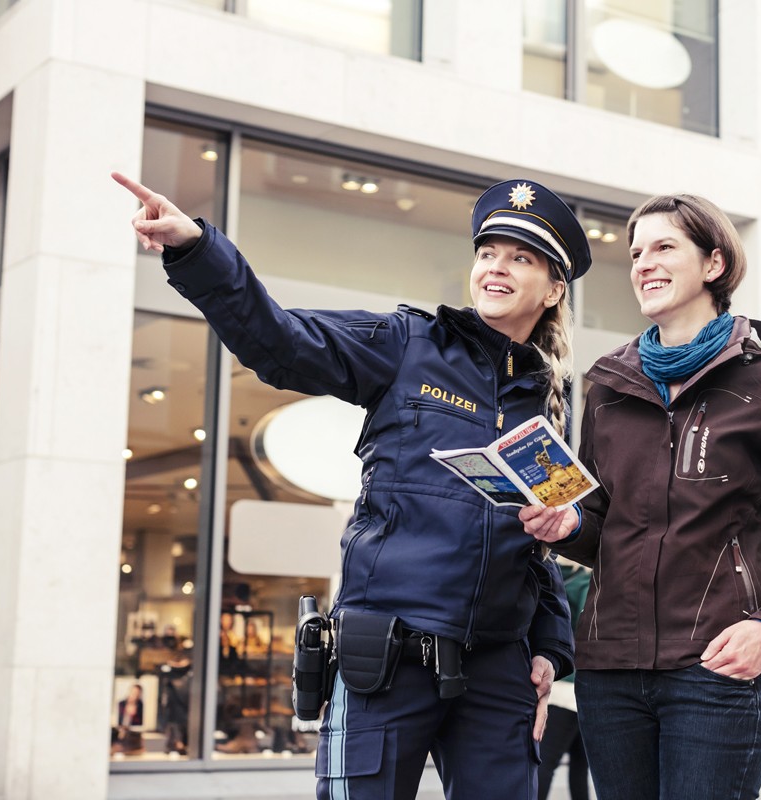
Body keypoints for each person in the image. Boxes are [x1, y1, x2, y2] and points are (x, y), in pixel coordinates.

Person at [112, 171, 584, 800]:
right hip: (386, 657)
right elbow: (279, 342)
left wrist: (550, 649)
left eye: (520, 258)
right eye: (487, 253)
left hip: (498, 668)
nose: (495, 269)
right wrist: (196, 248)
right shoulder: (409, 344)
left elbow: (542, 546)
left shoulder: (553, 403)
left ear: (554, 288)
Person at [520, 193, 761, 800]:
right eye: (636, 252)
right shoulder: (608, 386)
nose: (643, 263)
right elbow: (607, 527)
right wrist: (566, 524)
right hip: (609, 671)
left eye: (664, 247)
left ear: (714, 264)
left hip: (716, 668)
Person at [537, 558, 592, 800]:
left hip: (561, 683)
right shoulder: (583, 580)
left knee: (548, 761)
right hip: (575, 687)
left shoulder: (550, 573)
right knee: (575, 765)